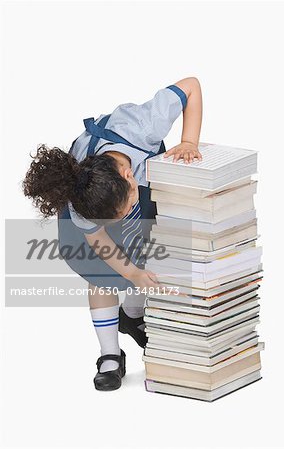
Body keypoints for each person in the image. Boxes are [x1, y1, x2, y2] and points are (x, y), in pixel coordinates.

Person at [22, 76, 203, 391]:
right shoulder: (83, 200)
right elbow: (99, 240)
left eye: (125, 205)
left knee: (145, 248)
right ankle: (109, 354)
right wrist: (130, 272)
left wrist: (189, 140)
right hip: (93, 222)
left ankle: (131, 315)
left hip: (134, 188)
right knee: (102, 273)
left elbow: (191, 85)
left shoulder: (145, 125)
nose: (121, 218)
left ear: (128, 174)